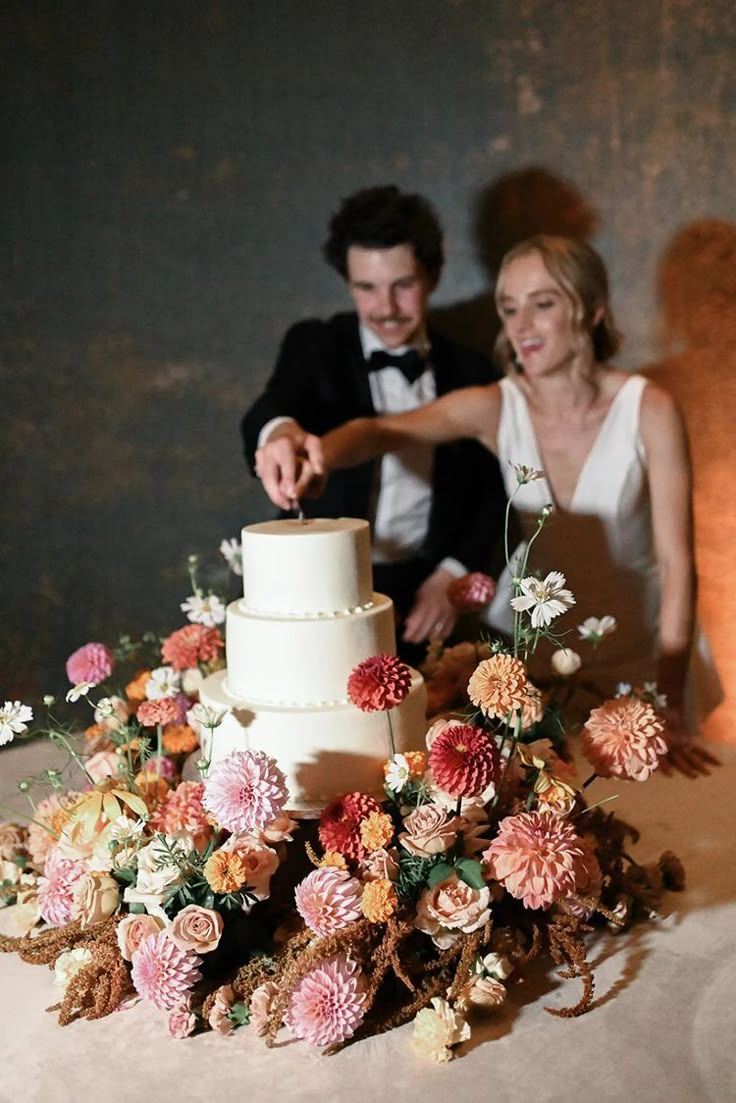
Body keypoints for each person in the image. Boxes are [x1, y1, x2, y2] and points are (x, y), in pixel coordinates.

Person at [271, 234, 718, 777]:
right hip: (529, 658)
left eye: (543, 303)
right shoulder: (495, 406)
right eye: (509, 308)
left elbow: (677, 563)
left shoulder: (650, 407)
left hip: (644, 658)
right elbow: (379, 430)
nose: (521, 324)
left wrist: (666, 697)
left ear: (592, 309)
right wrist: (318, 453)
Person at [244, 185, 507, 664]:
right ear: (347, 284)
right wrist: (280, 434)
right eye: (366, 287)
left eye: (402, 285)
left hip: (425, 591)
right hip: (319, 585)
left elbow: (494, 491)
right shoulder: (315, 346)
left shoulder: (473, 372)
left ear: (433, 276)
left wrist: (451, 573)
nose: (385, 306)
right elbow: (275, 404)